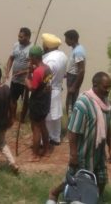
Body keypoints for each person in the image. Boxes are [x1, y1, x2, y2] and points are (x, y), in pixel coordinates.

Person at [47, 72, 111, 203]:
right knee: (74, 179)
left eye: (109, 87)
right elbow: (73, 131)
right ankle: (54, 192)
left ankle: (93, 198)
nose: (108, 90)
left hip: (99, 152)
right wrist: (74, 154)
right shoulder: (83, 104)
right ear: (95, 85)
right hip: (83, 152)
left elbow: (108, 129)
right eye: (105, 87)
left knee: (102, 179)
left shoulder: (107, 104)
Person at [25, 45, 52, 161]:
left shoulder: (37, 72)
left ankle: (35, 154)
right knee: (43, 126)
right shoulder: (47, 68)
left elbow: (32, 87)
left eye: (30, 57)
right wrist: (33, 70)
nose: (29, 59)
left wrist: (27, 76)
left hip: (37, 103)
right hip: (46, 102)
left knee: (36, 129)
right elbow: (43, 83)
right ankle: (46, 150)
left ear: (34, 57)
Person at [42, 33, 67, 146]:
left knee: (47, 115)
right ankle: (56, 137)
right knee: (56, 114)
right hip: (58, 87)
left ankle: (44, 139)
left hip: (49, 89)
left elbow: (48, 77)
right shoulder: (62, 55)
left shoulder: (49, 60)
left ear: (46, 46)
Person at [5, 27, 32, 122]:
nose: (19, 39)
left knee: (25, 100)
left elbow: (33, 66)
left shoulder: (32, 48)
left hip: (25, 80)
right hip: (15, 79)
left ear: (28, 37)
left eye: (21, 37)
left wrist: (23, 72)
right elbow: (11, 58)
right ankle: (13, 117)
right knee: (12, 98)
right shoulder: (16, 45)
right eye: (18, 36)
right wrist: (7, 71)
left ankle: (22, 119)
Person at [64, 29, 86, 116]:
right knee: (69, 100)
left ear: (72, 39)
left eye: (66, 39)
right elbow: (74, 66)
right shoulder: (75, 49)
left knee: (71, 103)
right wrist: (67, 73)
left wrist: (74, 86)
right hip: (71, 77)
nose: (65, 41)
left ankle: (71, 124)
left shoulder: (78, 51)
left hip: (74, 79)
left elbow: (81, 70)